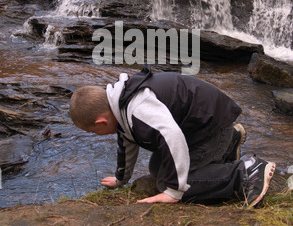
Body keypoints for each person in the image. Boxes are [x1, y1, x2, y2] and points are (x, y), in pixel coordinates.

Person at [69, 65, 275, 207]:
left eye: (93, 131)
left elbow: (171, 135)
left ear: (101, 122)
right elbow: (127, 144)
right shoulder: (120, 106)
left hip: (210, 125)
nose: (96, 135)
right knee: (156, 169)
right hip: (198, 128)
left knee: (173, 184)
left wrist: (174, 191)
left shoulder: (138, 108)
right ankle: (230, 141)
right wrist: (121, 179)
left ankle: (246, 172)